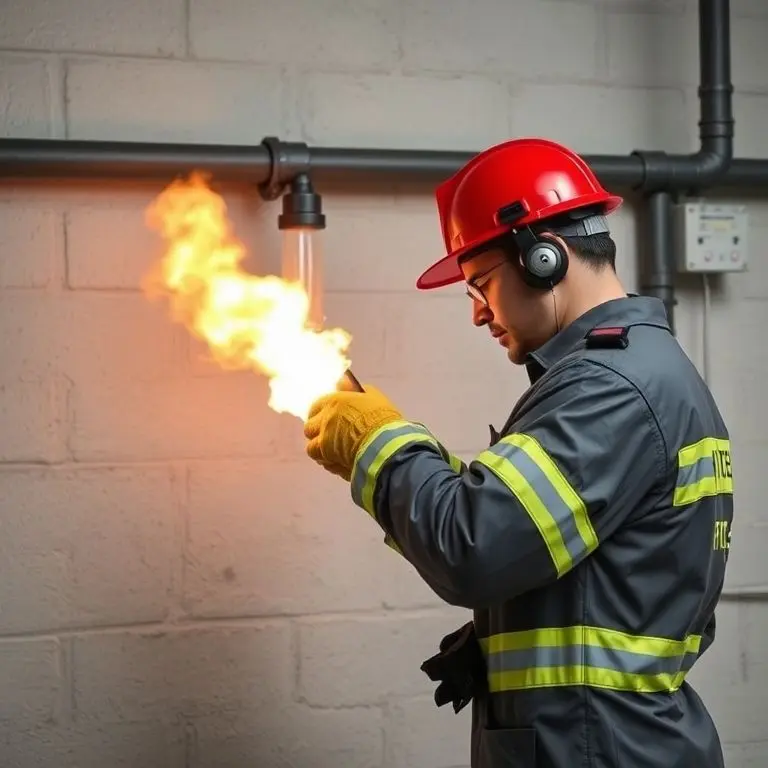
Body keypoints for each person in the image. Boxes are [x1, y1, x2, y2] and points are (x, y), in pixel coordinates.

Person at [303, 137, 734, 768]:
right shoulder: (632, 374)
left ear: (543, 258)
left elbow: (475, 546)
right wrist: (500, 635)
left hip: (597, 749)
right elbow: (536, 539)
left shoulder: (608, 388)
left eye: (480, 283)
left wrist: (379, 444)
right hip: (605, 740)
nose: (478, 313)